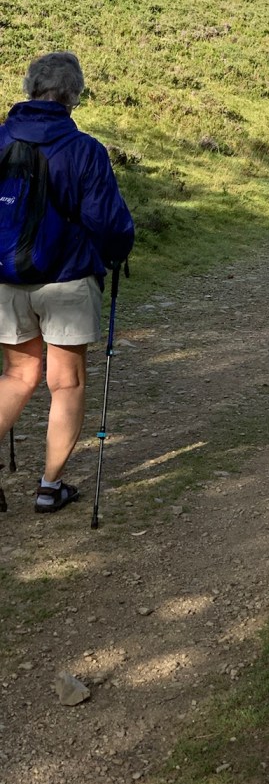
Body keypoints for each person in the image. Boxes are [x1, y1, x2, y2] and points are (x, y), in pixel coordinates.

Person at [0, 52, 134, 514]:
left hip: (6, 278)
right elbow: (108, 223)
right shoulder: (84, 150)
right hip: (68, 278)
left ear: (30, 88)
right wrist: (118, 250)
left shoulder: (0, 140)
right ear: (73, 96)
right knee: (66, 382)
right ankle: (49, 487)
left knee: (17, 375)